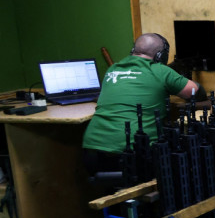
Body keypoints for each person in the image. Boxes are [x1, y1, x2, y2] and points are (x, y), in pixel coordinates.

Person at [82, 33, 205, 174]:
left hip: (92, 150)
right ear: (160, 56)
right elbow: (195, 92)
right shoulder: (160, 71)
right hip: (134, 154)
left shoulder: (113, 69)